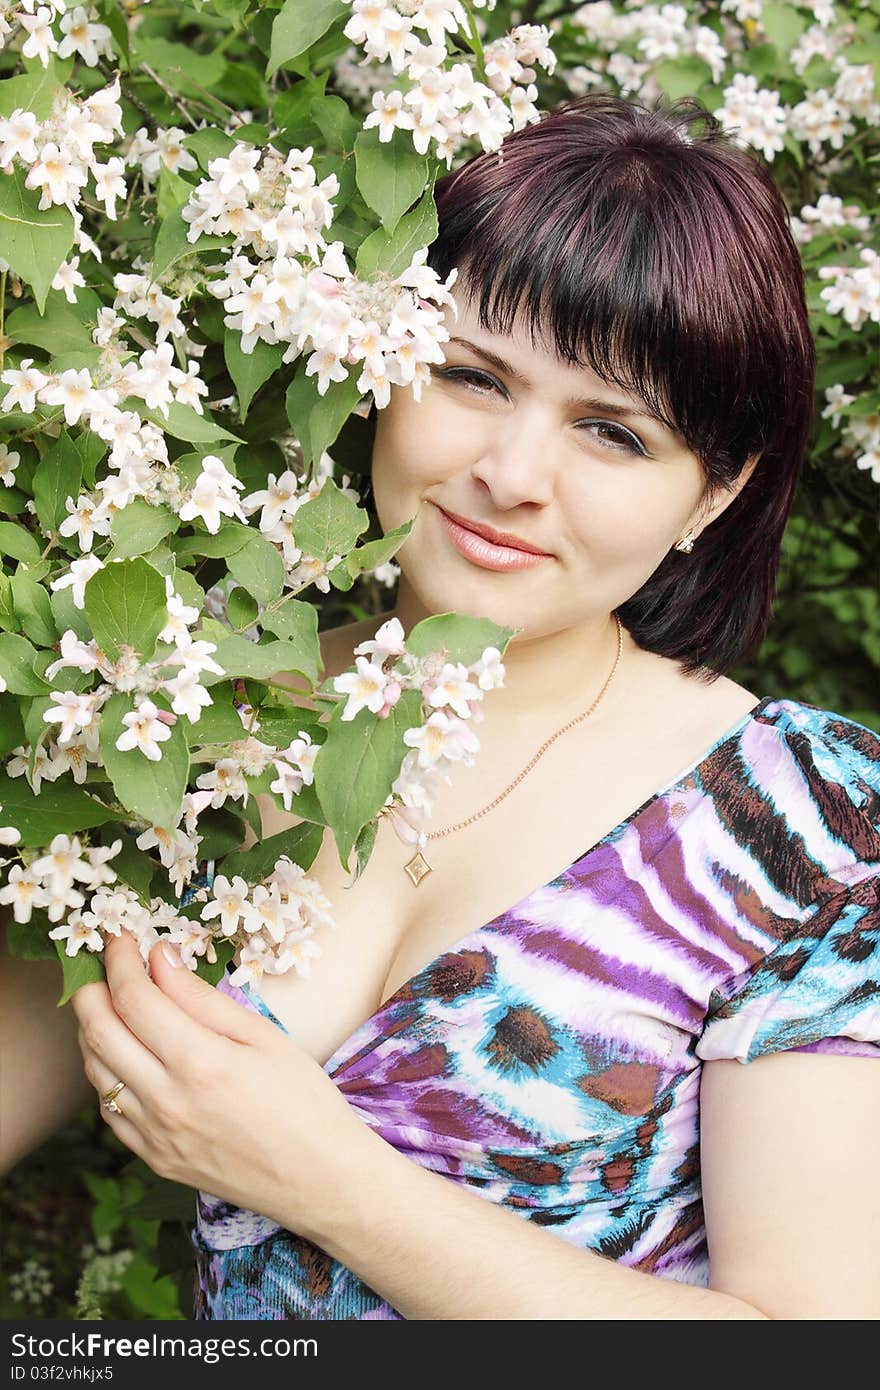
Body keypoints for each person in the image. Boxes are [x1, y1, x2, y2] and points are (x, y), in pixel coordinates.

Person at [2, 93, 878, 1321]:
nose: (510, 476)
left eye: (612, 434)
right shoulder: (186, 710)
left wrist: (323, 1178)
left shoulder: (805, 823)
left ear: (711, 496)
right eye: (471, 374)